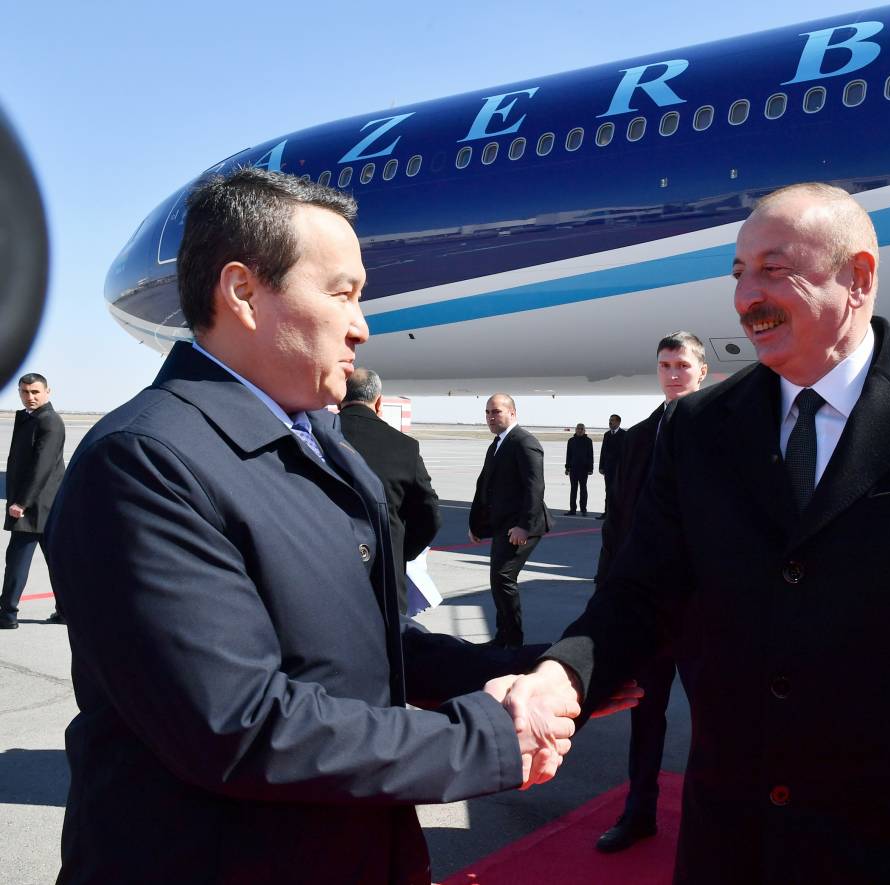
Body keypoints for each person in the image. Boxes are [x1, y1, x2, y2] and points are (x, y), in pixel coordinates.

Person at [502, 182, 890, 882]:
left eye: (774, 269)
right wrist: (563, 673)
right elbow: (640, 592)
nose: (745, 298)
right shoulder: (698, 430)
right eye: (739, 274)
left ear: (859, 278)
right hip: (731, 846)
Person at [43, 168, 586, 885]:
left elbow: (362, 648)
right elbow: (240, 723)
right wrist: (491, 738)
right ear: (242, 291)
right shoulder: (144, 462)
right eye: (342, 293)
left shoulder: (322, 443)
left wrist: (546, 668)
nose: (362, 325)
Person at [593, 331, 709, 853]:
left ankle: (712, 821)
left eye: (682, 365)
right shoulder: (637, 438)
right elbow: (616, 524)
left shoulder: (728, 433)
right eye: (665, 365)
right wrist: (608, 595)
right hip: (649, 611)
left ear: (701, 370)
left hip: (707, 610)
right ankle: (638, 812)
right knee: (645, 715)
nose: (673, 374)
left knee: (714, 720)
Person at [339, 367, 442, 615]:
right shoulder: (405, 446)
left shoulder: (316, 435)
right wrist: (400, 551)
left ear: (341, 396)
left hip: (327, 576)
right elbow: (430, 515)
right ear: (379, 402)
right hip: (385, 577)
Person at [468, 393, 550, 649]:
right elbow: (486, 485)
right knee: (499, 579)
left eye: (496, 411)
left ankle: (513, 642)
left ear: (512, 413)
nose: (490, 417)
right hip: (504, 525)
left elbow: (535, 488)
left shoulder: (524, 442)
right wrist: (477, 524)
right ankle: (504, 637)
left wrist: (524, 526)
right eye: (488, 412)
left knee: (503, 578)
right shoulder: (498, 443)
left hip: (521, 525)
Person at [0, 373, 65, 628]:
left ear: (48, 392)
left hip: (36, 506)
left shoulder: (50, 421)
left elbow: (42, 467)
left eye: (35, 392)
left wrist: (21, 503)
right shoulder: (30, 418)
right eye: (25, 392)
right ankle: (66, 611)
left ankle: (7, 614)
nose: (30, 397)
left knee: (17, 559)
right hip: (42, 505)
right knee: (57, 562)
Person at [597, 413, 624, 518]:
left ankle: (617, 514)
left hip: (618, 469)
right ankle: (607, 512)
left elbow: (625, 453)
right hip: (608, 469)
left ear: (618, 422)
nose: (610, 422)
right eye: (610, 420)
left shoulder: (624, 435)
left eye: (612, 420)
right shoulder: (607, 435)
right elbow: (603, 451)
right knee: (608, 491)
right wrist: (601, 466)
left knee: (618, 492)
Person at [564, 423, 593, 516]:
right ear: (575, 429)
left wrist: (590, 468)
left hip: (584, 469)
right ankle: (572, 509)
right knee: (573, 489)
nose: (580, 430)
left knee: (583, 489)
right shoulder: (571, 441)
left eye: (581, 429)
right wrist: (567, 468)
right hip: (573, 469)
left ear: (584, 430)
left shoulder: (588, 441)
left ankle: (583, 509)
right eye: (578, 428)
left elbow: (590, 455)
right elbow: (568, 455)